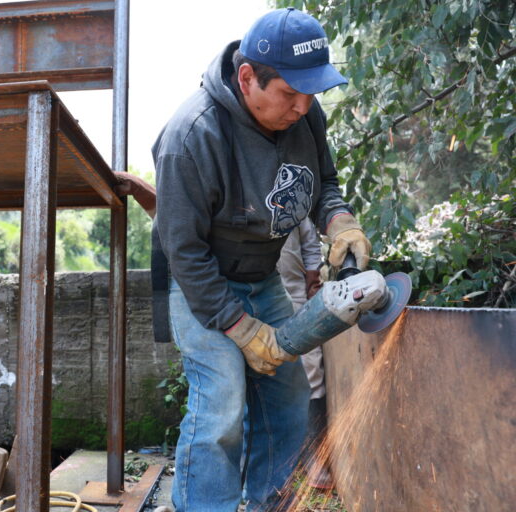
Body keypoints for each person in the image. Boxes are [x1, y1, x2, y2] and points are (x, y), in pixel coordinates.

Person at [151, 7, 371, 512]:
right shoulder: (192, 136)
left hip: (262, 275)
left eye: (311, 93)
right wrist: (239, 327)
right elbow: (184, 251)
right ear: (247, 77)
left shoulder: (305, 113)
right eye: (290, 93)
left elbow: (324, 183)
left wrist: (339, 220)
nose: (303, 107)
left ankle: (272, 502)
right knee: (221, 401)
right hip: (201, 279)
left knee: (288, 393)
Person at [275, 218, 333, 490]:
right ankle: (256, 463)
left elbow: (309, 243)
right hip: (247, 299)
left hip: (295, 295)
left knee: (311, 369)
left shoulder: (293, 203)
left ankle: (314, 457)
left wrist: (313, 278)